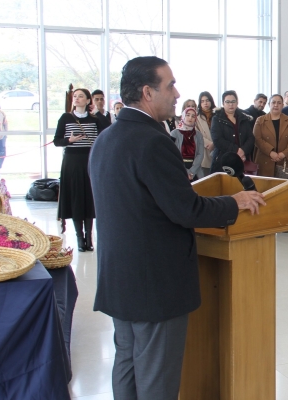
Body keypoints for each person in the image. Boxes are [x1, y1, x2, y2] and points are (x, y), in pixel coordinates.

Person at [88, 56, 265, 400]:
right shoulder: (153, 141)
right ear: (147, 92)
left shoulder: (107, 139)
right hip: (154, 285)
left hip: (119, 278)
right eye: (169, 85)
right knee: (156, 378)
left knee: (127, 366)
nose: (176, 92)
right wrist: (236, 202)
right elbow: (186, 209)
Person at [53, 88, 106, 253]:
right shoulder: (66, 118)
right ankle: (79, 237)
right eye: (74, 96)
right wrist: (69, 140)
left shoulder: (95, 119)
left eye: (80, 96)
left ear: (88, 100)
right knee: (76, 198)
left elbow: (107, 131)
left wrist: (97, 112)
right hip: (72, 162)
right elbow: (57, 140)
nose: (76, 99)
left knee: (89, 199)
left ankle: (89, 238)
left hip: (90, 161)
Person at [253, 94, 288, 177]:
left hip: (285, 160)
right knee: (265, 188)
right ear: (269, 104)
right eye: (273, 102)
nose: (276, 105)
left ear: (283, 105)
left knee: (284, 188)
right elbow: (257, 139)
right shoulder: (260, 120)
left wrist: (283, 154)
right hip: (265, 159)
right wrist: (270, 152)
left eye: (279, 103)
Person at [210, 90, 255, 171]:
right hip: (222, 161)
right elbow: (217, 140)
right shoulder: (217, 119)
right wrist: (237, 150)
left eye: (233, 101)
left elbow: (250, 138)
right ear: (223, 103)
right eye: (227, 102)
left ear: (237, 103)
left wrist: (243, 151)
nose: (231, 104)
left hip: (242, 160)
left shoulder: (244, 118)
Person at [170, 107, 204, 181]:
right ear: (183, 116)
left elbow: (200, 154)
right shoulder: (174, 133)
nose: (190, 118)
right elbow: (172, 154)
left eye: (193, 116)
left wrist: (191, 171)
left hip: (195, 170)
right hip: (179, 168)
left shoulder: (198, 135)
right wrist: (185, 171)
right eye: (188, 115)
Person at [196, 92, 215, 177]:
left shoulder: (218, 115)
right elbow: (196, 133)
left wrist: (214, 143)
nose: (205, 103)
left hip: (218, 148)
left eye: (207, 100)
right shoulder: (197, 117)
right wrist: (208, 143)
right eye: (202, 101)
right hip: (205, 150)